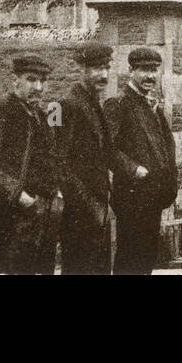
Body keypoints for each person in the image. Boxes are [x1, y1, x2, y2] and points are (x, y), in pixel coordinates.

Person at [0, 54, 64, 274]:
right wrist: (18, 195)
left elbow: (52, 161)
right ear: (15, 80)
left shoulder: (43, 118)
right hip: (10, 219)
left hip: (43, 220)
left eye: (43, 80)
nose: (38, 87)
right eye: (31, 79)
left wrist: (57, 193)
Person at [106, 47, 178, 275]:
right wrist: (134, 168)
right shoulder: (118, 104)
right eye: (144, 70)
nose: (150, 76)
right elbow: (107, 148)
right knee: (130, 259)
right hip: (132, 197)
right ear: (131, 71)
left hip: (153, 197)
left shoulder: (151, 106)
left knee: (146, 259)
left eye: (154, 70)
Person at [60, 43, 120, 274]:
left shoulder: (95, 104)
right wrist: (88, 202)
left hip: (98, 208)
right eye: (96, 68)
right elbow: (58, 162)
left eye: (106, 68)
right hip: (78, 210)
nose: (103, 75)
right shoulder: (63, 105)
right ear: (81, 69)